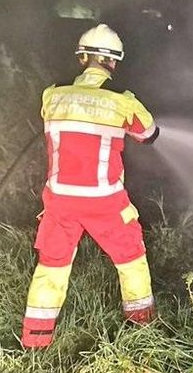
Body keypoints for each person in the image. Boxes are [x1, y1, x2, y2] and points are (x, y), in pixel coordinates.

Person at [21, 23, 160, 349]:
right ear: (114, 63)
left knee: (51, 267)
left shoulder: (52, 96)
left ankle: (35, 341)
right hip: (105, 202)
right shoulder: (123, 102)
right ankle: (143, 329)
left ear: (83, 58)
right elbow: (149, 134)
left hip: (60, 201)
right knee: (131, 260)